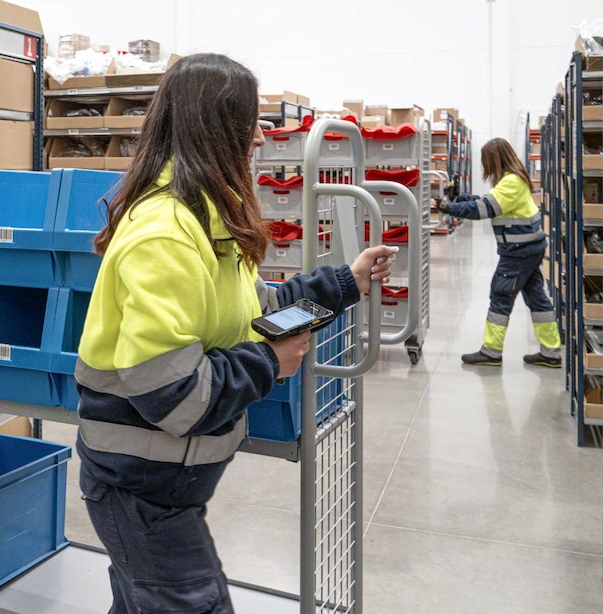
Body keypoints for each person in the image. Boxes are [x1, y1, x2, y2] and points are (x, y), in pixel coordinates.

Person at [74, 53, 397, 614]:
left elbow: (255, 311)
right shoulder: (166, 234)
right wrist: (270, 361)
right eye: (248, 124)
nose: (259, 140)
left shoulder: (205, 219)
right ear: (217, 128)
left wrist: (347, 282)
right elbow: (173, 396)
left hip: (165, 486)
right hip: (138, 489)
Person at [438, 137, 562, 367]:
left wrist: (450, 208)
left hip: (519, 252)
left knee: (501, 295)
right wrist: (460, 199)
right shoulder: (514, 179)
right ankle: (551, 351)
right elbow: (489, 201)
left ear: (494, 160)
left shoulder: (511, 182)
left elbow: (485, 209)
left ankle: (491, 351)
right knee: (536, 297)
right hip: (528, 249)